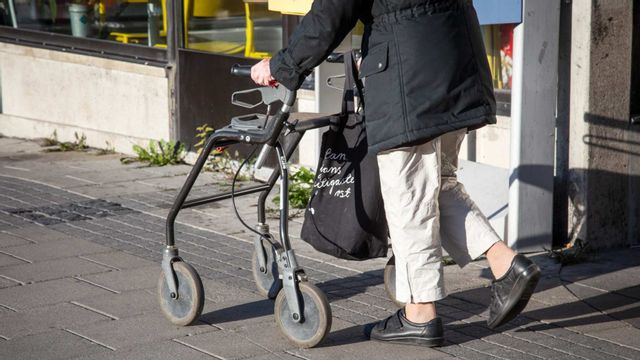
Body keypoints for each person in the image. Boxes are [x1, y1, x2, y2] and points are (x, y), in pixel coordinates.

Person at [251, 0, 541, 347]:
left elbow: (332, 10)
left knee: (410, 197)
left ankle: (420, 314)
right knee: (436, 184)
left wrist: (282, 65)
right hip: (456, 57)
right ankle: (506, 266)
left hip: (409, 74)